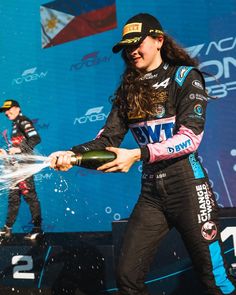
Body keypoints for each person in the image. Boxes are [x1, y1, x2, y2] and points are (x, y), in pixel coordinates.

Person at [49, 13, 236, 295]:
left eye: (138, 43)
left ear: (158, 40)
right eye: (127, 46)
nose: (132, 51)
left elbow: (189, 139)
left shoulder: (185, 77)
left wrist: (137, 154)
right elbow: (107, 140)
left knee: (214, 280)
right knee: (127, 277)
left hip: (188, 189)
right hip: (152, 194)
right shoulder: (128, 90)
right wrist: (72, 155)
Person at [0, 99, 42, 240]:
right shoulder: (14, 124)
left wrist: (19, 149)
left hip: (25, 167)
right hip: (16, 167)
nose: (6, 112)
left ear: (18, 108)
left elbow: (36, 139)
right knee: (13, 198)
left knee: (30, 196)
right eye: (5, 110)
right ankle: (7, 229)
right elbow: (18, 148)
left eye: (9, 109)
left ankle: (37, 230)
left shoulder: (23, 121)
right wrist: (6, 153)